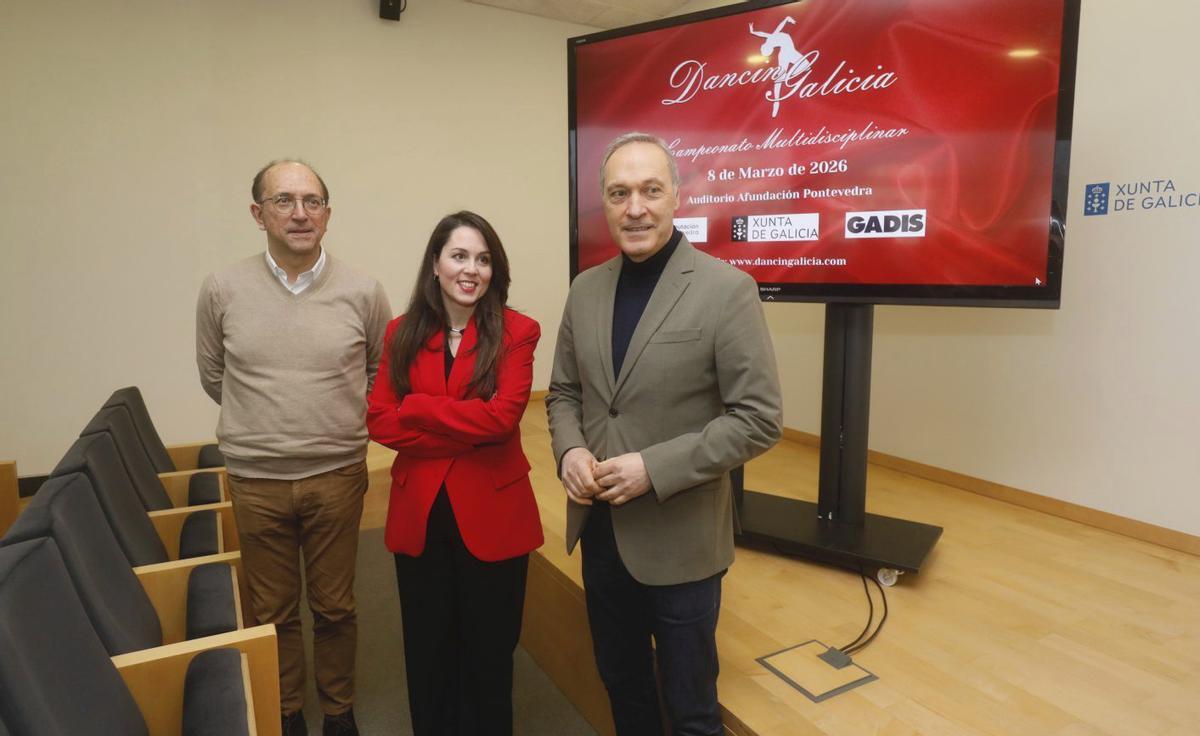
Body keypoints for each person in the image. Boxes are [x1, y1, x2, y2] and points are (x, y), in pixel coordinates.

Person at [546, 133, 783, 735]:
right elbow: (566, 393)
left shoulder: (727, 289)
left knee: (692, 711)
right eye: (619, 193)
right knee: (623, 689)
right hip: (601, 534)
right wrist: (570, 449)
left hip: (682, 543)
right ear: (603, 203)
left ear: (677, 195)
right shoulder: (584, 289)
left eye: (650, 190)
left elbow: (758, 418)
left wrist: (653, 467)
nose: (635, 208)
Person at [196, 159, 391, 736]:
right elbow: (214, 374)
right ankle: (287, 712)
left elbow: (380, 372)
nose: (300, 213)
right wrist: (265, 423)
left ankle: (338, 711)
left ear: (328, 214)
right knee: (272, 609)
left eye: (312, 201)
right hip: (255, 479)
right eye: (284, 201)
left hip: (337, 475)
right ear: (258, 214)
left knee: (335, 606)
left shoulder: (363, 291)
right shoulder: (222, 288)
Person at [366, 211, 543, 736]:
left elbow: (502, 419)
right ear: (436, 264)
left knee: (490, 656)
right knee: (427, 654)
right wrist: (466, 426)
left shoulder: (517, 331)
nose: (471, 269)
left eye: (483, 259)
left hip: (494, 515)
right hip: (421, 516)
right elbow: (379, 420)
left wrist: (418, 408)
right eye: (459, 256)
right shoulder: (400, 333)